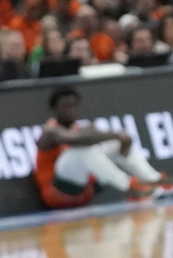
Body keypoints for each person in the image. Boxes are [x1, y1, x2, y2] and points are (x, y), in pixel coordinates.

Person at [34, 87, 170, 208]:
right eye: (65, 107)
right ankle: (132, 187)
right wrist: (116, 135)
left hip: (84, 191)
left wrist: (119, 138)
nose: (70, 111)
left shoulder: (78, 128)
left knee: (114, 146)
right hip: (57, 193)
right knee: (83, 150)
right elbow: (77, 139)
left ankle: (154, 180)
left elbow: (90, 137)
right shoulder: (50, 131)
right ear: (54, 109)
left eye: (73, 106)